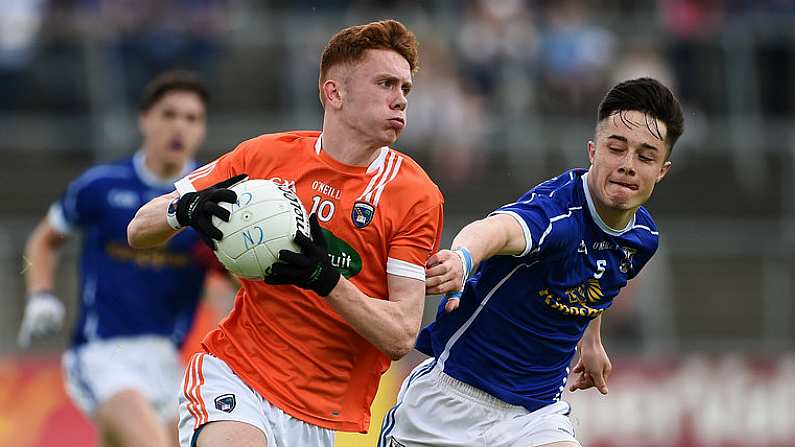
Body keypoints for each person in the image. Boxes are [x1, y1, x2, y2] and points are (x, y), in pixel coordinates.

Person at [127, 20, 444, 447]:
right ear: (335, 93)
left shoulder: (415, 195)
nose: (400, 100)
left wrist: (324, 278)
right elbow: (138, 229)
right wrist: (184, 209)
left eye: (405, 89)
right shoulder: (265, 156)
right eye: (386, 83)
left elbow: (401, 335)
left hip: (319, 413)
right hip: (234, 372)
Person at [379, 77, 684, 447]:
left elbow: (596, 274)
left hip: (534, 419)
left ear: (662, 170)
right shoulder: (556, 213)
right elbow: (497, 230)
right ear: (593, 151)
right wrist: (462, 258)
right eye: (616, 149)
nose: (628, 165)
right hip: (450, 403)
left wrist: (592, 340)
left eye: (645, 156)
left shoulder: (642, 240)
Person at [18, 70, 223, 447]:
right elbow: (44, 241)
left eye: (192, 118)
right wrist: (40, 294)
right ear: (145, 120)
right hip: (102, 355)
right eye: (169, 114)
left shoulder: (210, 201)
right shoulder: (101, 186)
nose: (180, 126)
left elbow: (230, 279)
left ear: (202, 129)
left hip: (167, 361)